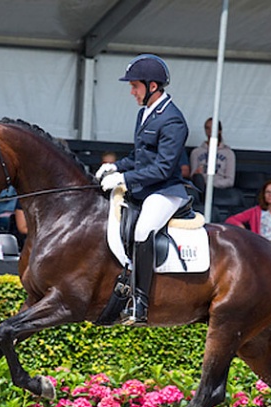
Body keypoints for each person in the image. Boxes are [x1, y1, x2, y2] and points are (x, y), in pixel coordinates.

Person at [95, 54, 189, 325]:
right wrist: (113, 167)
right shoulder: (145, 113)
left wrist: (124, 179)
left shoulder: (173, 120)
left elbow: (162, 168)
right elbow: (139, 157)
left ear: (153, 86)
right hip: (145, 186)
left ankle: (140, 303)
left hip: (166, 190)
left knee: (143, 230)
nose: (132, 91)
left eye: (135, 86)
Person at [225, 180, 271, 247]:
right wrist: (241, 227)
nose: (270, 194)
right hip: (262, 246)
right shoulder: (255, 211)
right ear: (263, 195)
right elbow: (231, 220)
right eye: (267, 192)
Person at [189, 117, 236, 190]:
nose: (210, 131)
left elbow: (230, 180)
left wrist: (212, 184)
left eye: (213, 128)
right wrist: (197, 174)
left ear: (219, 130)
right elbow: (192, 176)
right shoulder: (196, 152)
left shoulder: (228, 153)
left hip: (221, 189)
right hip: (201, 188)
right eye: (207, 128)